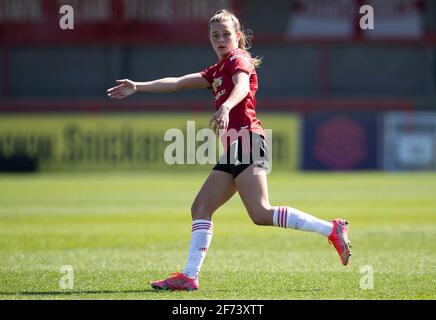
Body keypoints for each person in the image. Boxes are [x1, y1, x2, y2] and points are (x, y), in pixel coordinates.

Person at [107, 9, 352, 291]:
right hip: (235, 148)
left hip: (249, 141)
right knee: (201, 207)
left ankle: (331, 229)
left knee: (261, 213)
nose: (221, 40)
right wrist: (138, 86)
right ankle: (189, 276)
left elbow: (242, 87)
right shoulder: (215, 70)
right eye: (215, 36)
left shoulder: (239, 60)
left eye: (226, 34)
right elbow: (177, 83)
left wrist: (225, 105)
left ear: (238, 37)